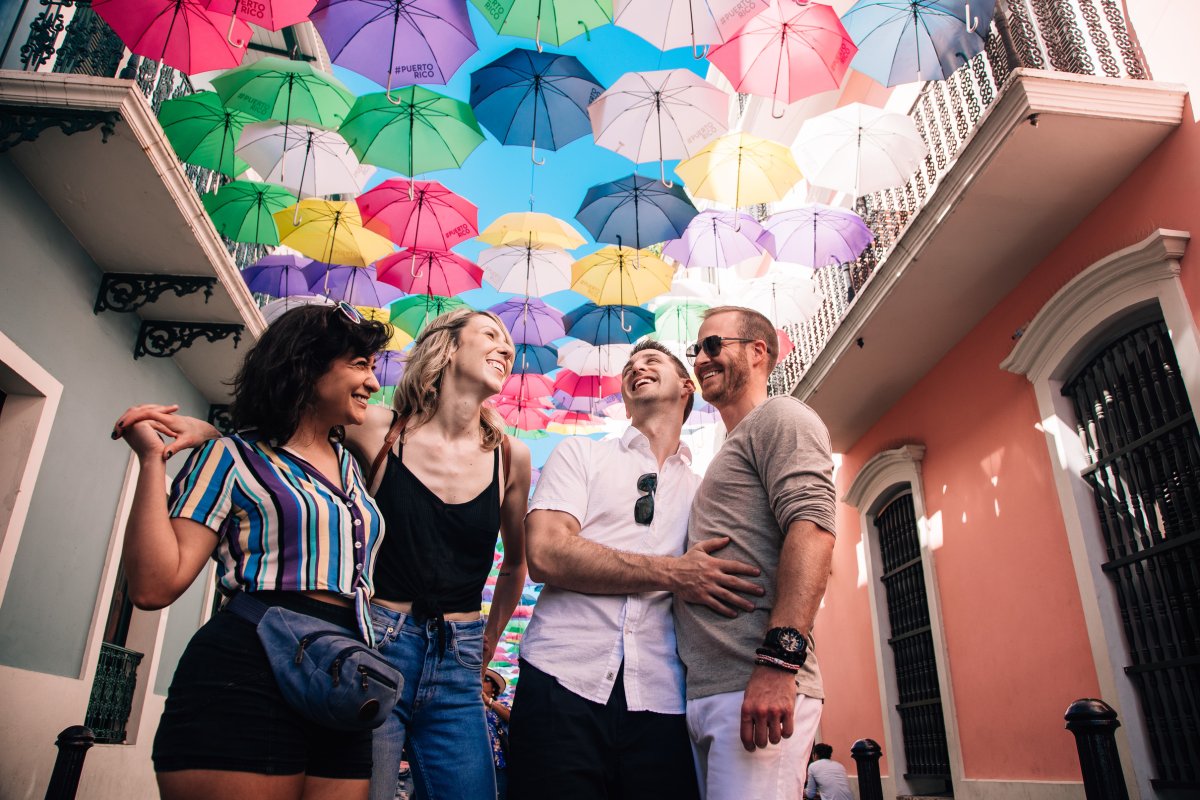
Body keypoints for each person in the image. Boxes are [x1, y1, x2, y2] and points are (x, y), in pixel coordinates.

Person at [114, 308, 532, 800]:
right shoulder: (374, 432)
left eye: (509, 342)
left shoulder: (507, 456)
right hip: (371, 644)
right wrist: (212, 439)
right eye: (490, 334)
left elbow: (516, 562)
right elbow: (286, 432)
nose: (506, 347)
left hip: (450, 653)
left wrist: (486, 641)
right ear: (447, 348)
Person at [113, 302, 390, 800]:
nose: (373, 383)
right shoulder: (230, 457)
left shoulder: (351, 468)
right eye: (360, 365)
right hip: (247, 673)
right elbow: (155, 585)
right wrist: (152, 461)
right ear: (307, 364)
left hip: (343, 679)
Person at [509, 340, 765, 800]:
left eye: (652, 361)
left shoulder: (706, 490)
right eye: (629, 366)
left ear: (687, 387)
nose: (636, 367)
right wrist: (674, 573)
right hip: (559, 681)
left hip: (662, 699)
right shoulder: (580, 455)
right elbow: (546, 553)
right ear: (625, 399)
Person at [673, 306, 837, 800]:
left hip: (755, 685)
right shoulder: (729, 447)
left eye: (712, 345)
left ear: (758, 351)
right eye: (695, 350)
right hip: (714, 693)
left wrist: (778, 664)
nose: (700, 359)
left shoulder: (781, 417)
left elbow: (813, 530)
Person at [482, 669, 511, 800]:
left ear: (494, 687)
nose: (480, 681)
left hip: (498, 764)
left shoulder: (501, 705)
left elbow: (512, 717)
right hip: (476, 764)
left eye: (486, 679)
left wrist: (488, 701)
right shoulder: (468, 708)